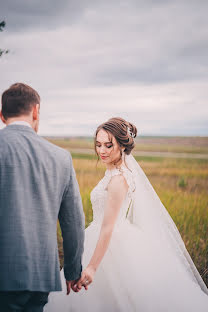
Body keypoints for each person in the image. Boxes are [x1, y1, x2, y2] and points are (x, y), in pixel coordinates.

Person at [45, 117, 208, 311]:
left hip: (110, 240)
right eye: (98, 145)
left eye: (108, 145)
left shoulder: (118, 179)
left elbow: (108, 227)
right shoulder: (115, 172)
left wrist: (92, 267)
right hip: (103, 235)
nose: (102, 150)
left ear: (122, 146)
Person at [0, 83, 85, 312]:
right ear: (36, 111)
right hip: (41, 277)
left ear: (1, 114)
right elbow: (74, 222)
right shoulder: (61, 157)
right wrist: (72, 271)